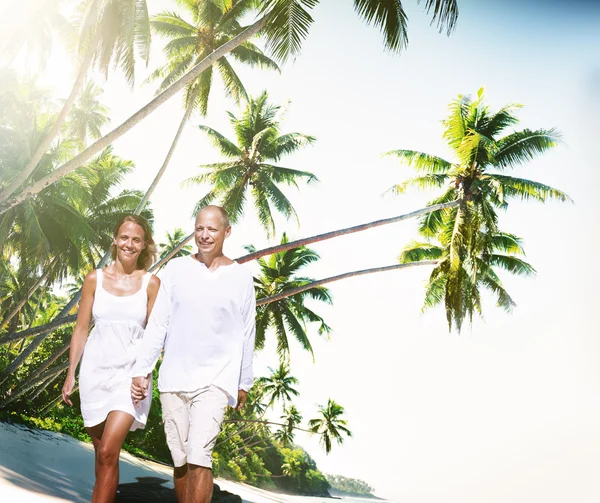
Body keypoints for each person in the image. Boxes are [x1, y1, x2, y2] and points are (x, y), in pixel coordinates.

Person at [131, 205, 256, 503]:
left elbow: (247, 332)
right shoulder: (176, 270)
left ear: (226, 232)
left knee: (200, 455)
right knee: (181, 459)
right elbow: (159, 322)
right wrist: (142, 368)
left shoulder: (241, 277)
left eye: (212, 229)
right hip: (174, 376)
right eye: (199, 228)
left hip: (215, 378)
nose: (204, 235)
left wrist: (244, 382)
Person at [61, 215, 160, 503]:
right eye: (125, 237)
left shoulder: (151, 284)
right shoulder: (94, 278)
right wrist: (71, 373)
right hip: (95, 374)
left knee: (108, 451)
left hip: (131, 378)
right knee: (103, 455)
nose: (129, 244)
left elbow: (154, 339)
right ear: (115, 240)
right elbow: (81, 329)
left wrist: (144, 373)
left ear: (143, 245)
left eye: (136, 239)